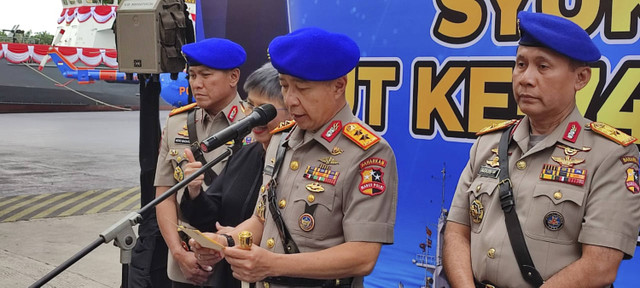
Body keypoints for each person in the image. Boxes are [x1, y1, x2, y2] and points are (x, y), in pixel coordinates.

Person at [443, 11, 640, 288]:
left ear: (581, 78)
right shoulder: (488, 144)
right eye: (520, 64)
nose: (525, 78)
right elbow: (456, 231)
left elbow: (600, 265)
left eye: (543, 67)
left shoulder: (610, 155)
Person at [190, 27, 398, 288]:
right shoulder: (282, 139)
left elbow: (362, 256)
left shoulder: (368, 153)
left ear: (338, 86)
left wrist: (271, 264)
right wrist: (226, 242)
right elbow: (262, 219)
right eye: (284, 86)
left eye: (302, 88)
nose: (290, 100)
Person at [178, 62, 293, 288]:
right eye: (251, 106)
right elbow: (211, 216)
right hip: (229, 277)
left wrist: (238, 235)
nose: (254, 117)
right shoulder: (245, 154)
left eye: (265, 110)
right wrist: (194, 191)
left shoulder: (297, 161)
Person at [154, 37, 247, 287]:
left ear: (233, 77)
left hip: (237, 262)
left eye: (206, 75)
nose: (197, 84)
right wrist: (178, 253)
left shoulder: (256, 126)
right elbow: (164, 194)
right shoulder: (177, 123)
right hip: (188, 260)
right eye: (193, 75)